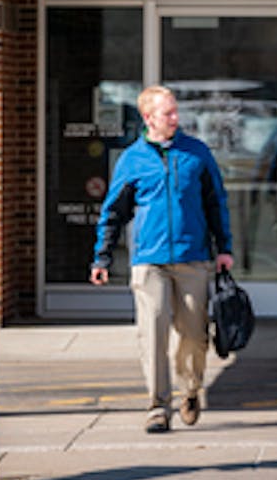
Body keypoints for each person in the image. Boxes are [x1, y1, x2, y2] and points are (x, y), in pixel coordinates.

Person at [90, 85, 234, 434]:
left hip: (193, 258)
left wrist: (224, 248)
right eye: (168, 113)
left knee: (194, 335)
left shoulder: (196, 153)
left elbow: (216, 202)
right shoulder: (132, 160)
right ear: (148, 117)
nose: (175, 118)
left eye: (175, 112)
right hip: (149, 261)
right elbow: (113, 212)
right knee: (152, 333)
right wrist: (102, 257)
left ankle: (190, 389)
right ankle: (157, 407)